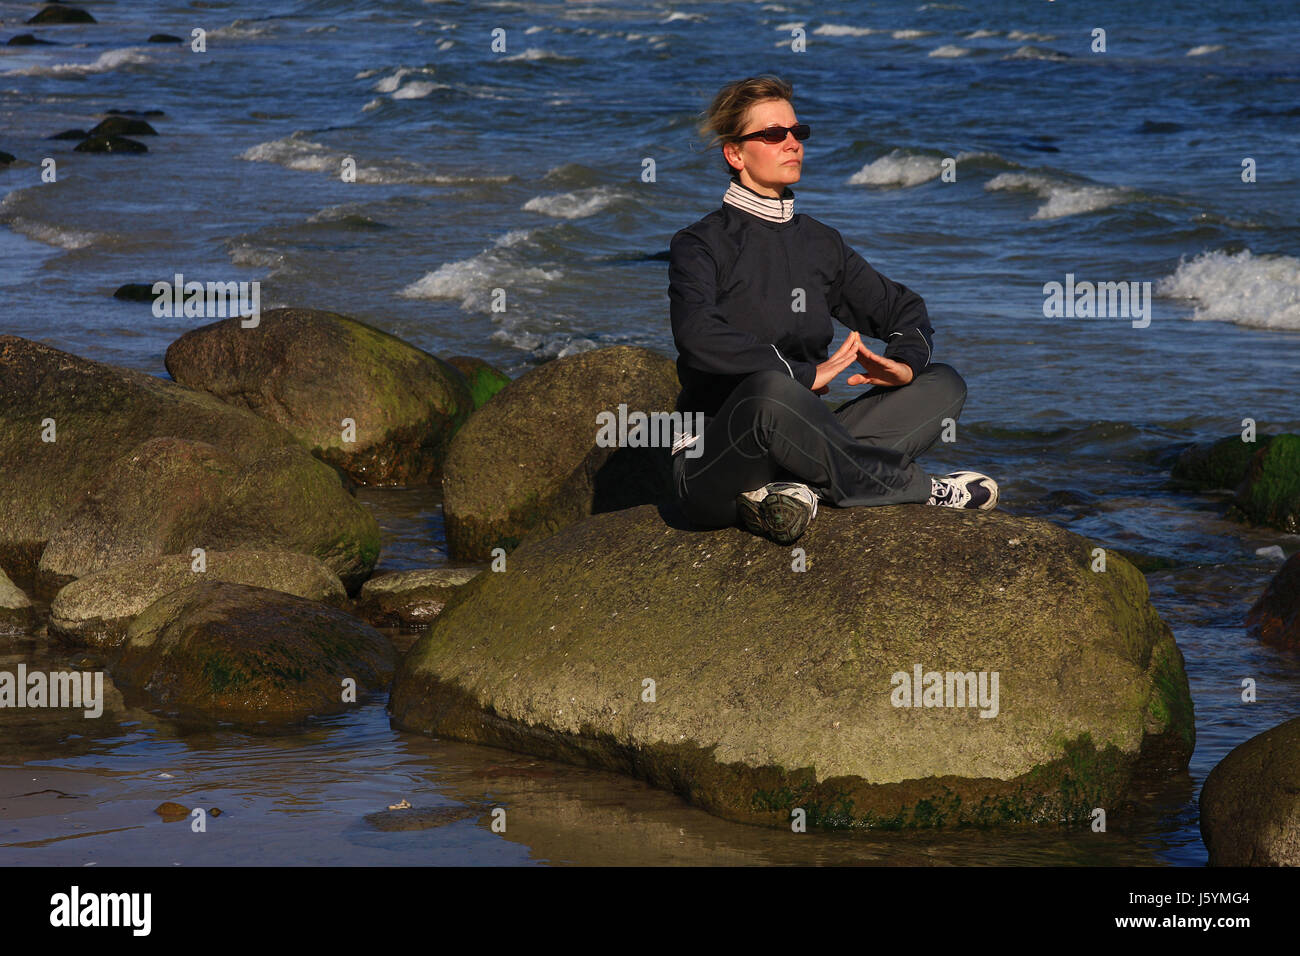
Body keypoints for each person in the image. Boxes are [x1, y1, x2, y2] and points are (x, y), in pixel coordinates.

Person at [668, 75, 999, 545]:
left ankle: (803, 488)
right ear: (735, 154)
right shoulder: (698, 244)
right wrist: (802, 375)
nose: (791, 144)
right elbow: (697, 334)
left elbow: (904, 310)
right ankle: (922, 489)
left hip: (803, 444)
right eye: (772, 134)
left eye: (797, 132)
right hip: (716, 460)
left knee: (942, 384)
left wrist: (903, 364)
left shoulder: (820, 243)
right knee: (769, 389)